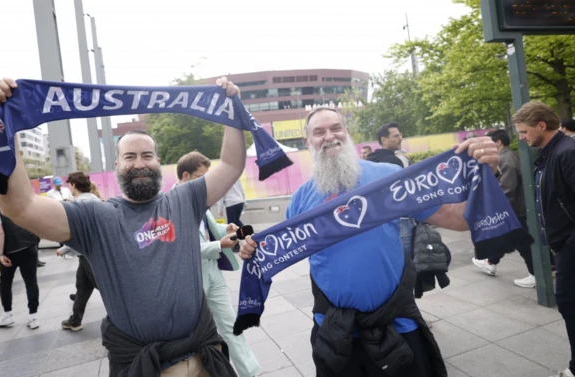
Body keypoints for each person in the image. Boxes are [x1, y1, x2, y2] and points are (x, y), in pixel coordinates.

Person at [0, 76, 245, 377]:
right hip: (146, 367)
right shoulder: (94, 217)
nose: (139, 163)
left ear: (158, 162)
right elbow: (21, 206)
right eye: (129, 157)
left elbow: (231, 165)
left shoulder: (185, 198)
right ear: (117, 165)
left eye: (147, 155)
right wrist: (4, 128)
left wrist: (230, 110)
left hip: (204, 359)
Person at [240, 107, 501, 377]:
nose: (330, 136)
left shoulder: (387, 176)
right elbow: (276, 250)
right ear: (308, 143)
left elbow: (457, 219)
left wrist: (486, 176)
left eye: (336, 128)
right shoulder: (300, 200)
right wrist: (251, 249)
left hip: (396, 325)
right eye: (319, 132)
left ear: (347, 133)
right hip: (334, 333)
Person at [177, 152, 261, 377]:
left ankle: (249, 372)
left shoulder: (199, 199)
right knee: (189, 334)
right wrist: (219, 245)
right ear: (185, 176)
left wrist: (228, 229)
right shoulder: (172, 205)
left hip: (213, 273)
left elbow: (208, 230)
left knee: (231, 325)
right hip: (191, 279)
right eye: (201, 177)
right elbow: (182, 249)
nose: (207, 183)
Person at [513, 101, 575, 377]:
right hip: (564, 244)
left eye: (524, 132)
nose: (521, 138)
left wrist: (567, 244)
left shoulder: (567, 153)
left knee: (568, 301)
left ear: (541, 125)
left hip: (570, 245)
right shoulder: (552, 153)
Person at [472, 129, 536, 287]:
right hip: (515, 207)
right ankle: (491, 262)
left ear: (498, 142)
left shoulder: (506, 159)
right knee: (511, 237)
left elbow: (507, 189)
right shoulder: (507, 156)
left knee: (520, 241)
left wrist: (494, 207)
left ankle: (536, 274)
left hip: (514, 208)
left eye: (488, 142)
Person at [58, 171, 101, 332]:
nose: (69, 187)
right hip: (92, 253)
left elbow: (78, 233)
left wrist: (65, 248)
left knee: (105, 288)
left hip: (88, 255)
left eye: (69, 184)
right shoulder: (96, 200)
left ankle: (125, 316)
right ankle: (75, 320)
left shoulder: (76, 205)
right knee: (82, 287)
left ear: (74, 185)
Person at [0, 203, 41, 329]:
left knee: (6, 282)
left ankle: (7, 314)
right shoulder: (21, 203)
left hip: (10, 251)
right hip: (29, 246)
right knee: (31, 281)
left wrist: (0, 253)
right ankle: (33, 317)